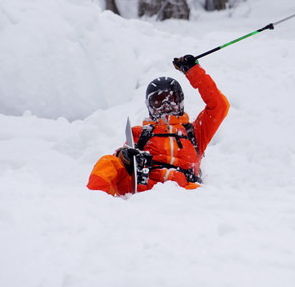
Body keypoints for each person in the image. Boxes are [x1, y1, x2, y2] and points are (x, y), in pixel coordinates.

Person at [87, 55, 229, 196]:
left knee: (207, 195)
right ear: (150, 106)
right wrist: (124, 155)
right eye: (158, 101)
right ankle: (96, 203)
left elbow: (219, 106)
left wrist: (194, 71)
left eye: (172, 99)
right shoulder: (141, 134)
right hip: (146, 188)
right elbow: (123, 158)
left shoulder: (195, 133)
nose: (166, 106)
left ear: (180, 101)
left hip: (185, 189)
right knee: (108, 162)